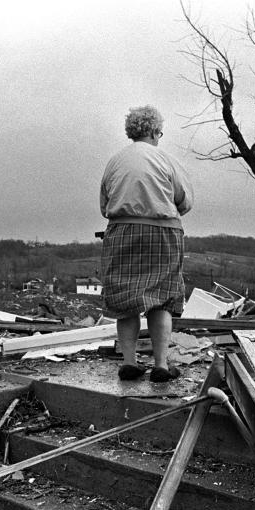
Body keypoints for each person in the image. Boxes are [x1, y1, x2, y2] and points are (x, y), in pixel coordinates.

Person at [99, 105, 193, 382]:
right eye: (159, 132)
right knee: (162, 299)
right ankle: (161, 365)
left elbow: (105, 206)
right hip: (162, 232)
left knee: (124, 299)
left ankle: (129, 362)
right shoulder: (167, 161)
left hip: (122, 231)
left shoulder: (114, 162)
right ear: (153, 131)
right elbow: (184, 201)